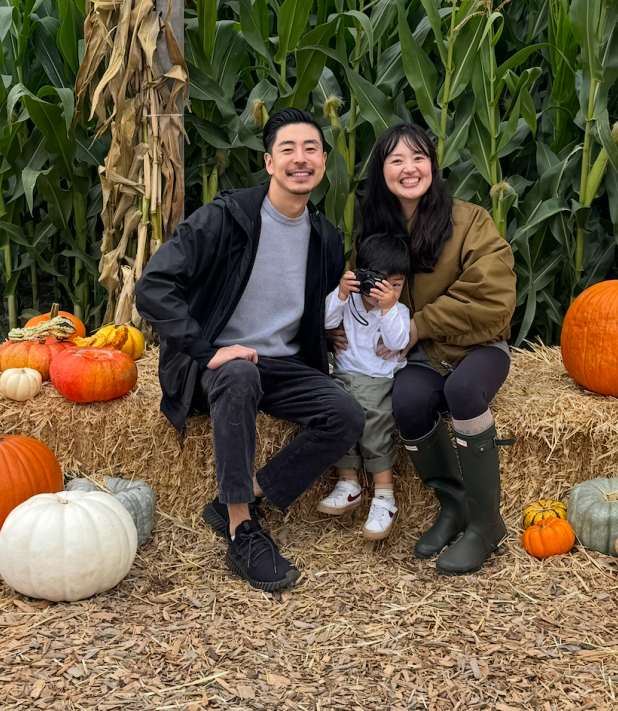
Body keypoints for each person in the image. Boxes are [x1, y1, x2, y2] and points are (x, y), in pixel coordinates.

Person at [134, 108, 365, 593]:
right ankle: (242, 529)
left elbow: (311, 307)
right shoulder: (228, 217)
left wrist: (333, 335)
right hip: (217, 363)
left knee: (345, 414)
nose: (300, 159)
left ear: (324, 161)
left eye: (310, 150)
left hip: (283, 366)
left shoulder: (325, 237)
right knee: (239, 373)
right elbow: (154, 286)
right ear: (268, 162)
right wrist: (204, 349)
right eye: (288, 150)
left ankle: (233, 497)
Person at [343, 122, 517, 576]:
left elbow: (493, 297)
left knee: (462, 392)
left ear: (433, 166)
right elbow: (356, 296)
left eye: (418, 157)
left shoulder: (470, 220)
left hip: (477, 348)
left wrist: (419, 325)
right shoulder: (374, 232)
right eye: (396, 159)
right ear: (381, 171)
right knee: (408, 400)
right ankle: (453, 505)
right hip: (415, 359)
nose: (409, 168)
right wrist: (338, 328)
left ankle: (485, 525)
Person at [317, 233, 412, 541]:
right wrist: (342, 293)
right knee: (336, 417)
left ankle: (385, 497)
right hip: (344, 375)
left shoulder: (398, 312)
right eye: (380, 283)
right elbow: (326, 321)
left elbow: (398, 343)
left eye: (396, 286)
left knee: (373, 424)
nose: (387, 292)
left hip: (378, 380)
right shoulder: (349, 303)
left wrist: (387, 309)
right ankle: (349, 484)